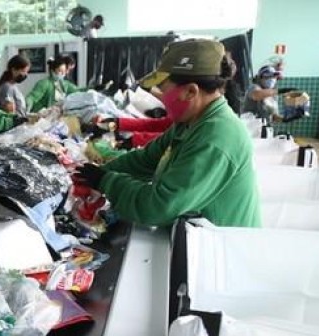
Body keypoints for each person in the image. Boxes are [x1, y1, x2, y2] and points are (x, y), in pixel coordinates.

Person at [74, 39, 260, 228]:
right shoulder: (191, 123)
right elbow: (146, 159)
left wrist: (106, 182)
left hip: (219, 250)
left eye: (163, 90)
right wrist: (99, 173)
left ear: (190, 91)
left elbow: (157, 207)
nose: (159, 98)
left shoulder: (217, 137)